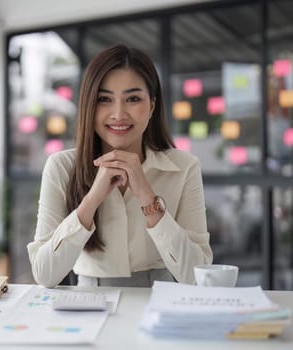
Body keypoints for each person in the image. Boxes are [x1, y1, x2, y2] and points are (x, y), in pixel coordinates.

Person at [27, 45, 213, 288]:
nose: (118, 114)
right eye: (104, 99)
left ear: (152, 105)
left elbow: (199, 275)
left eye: (133, 99)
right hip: (87, 304)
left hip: (161, 299)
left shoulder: (184, 167)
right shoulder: (61, 167)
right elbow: (44, 275)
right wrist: (92, 199)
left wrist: (148, 199)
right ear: (89, 106)